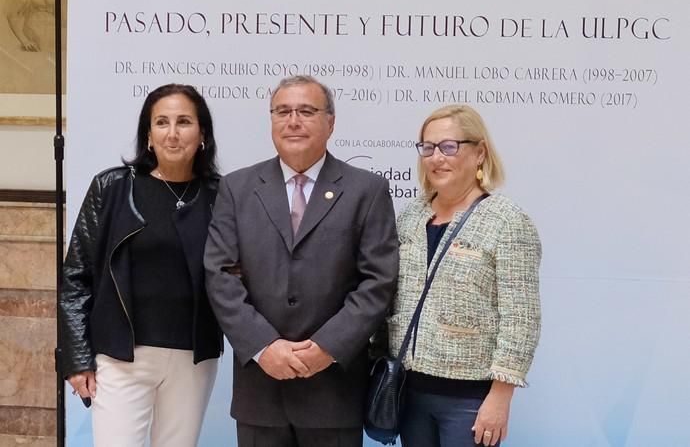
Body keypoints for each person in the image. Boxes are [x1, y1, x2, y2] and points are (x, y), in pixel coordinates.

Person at [204, 75, 399, 447]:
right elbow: (221, 275)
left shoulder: (367, 190)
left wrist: (328, 347)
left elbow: (378, 282)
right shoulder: (237, 188)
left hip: (333, 394)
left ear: (331, 122)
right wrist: (264, 346)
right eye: (283, 111)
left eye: (306, 111)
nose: (293, 120)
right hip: (260, 391)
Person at [59, 83, 223, 447]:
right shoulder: (112, 188)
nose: (172, 132)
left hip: (193, 359)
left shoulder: (222, 196)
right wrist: (78, 358)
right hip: (121, 356)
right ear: (148, 135)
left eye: (184, 121)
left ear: (203, 134)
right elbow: (76, 278)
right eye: (161, 122)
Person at [388, 104, 541, 447]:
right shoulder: (410, 217)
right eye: (428, 148)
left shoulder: (507, 220)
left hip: (470, 402)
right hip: (409, 393)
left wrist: (501, 397)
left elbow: (522, 318)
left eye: (449, 146)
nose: (436, 158)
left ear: (480, 153)